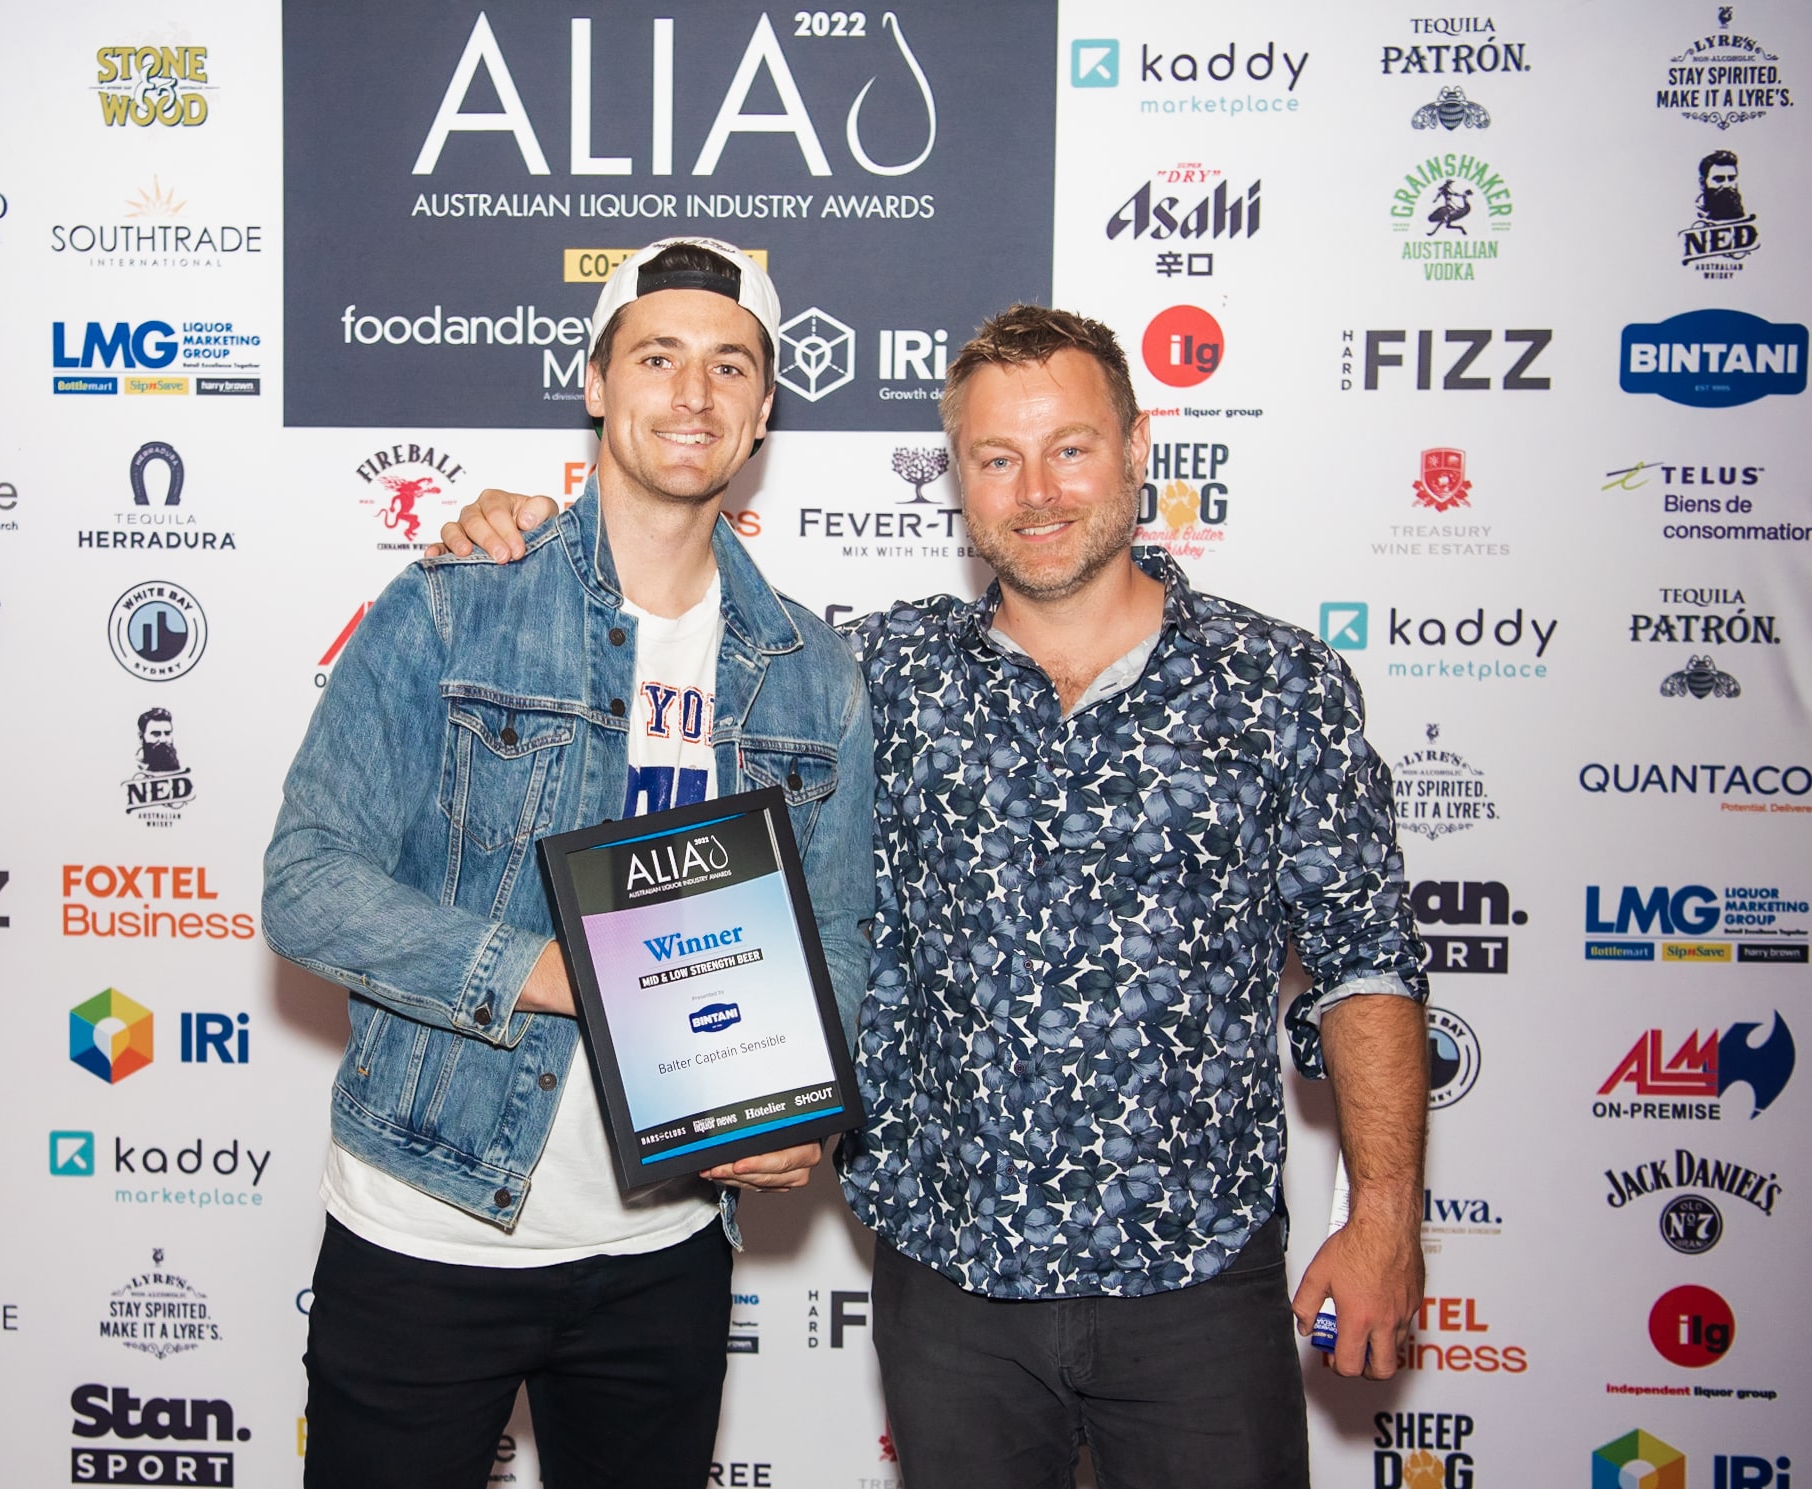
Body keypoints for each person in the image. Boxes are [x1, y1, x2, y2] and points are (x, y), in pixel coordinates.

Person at [436, 304, 1431, 1488]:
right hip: (948, 1282)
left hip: (1196, 1278)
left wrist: (1382, 1216)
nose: (1036, 492)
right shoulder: (881, 673)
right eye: (995, 458)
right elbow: (697, 743)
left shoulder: (1276, 682)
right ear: (956, 477)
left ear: (1135, 447)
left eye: (1069, 448)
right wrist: (535, 556)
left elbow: (1363, 961)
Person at [262, 237, 876, 1489]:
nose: (691, 395)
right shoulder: (455, 602)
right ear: (594, 382)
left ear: (763, 409)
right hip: (430, 1222)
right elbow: (306, 882)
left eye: (729, 366)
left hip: (664, 1252)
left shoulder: (815, 675)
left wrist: (800, 1108)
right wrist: (561, 969)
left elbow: (837, 937)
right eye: (656, 357)